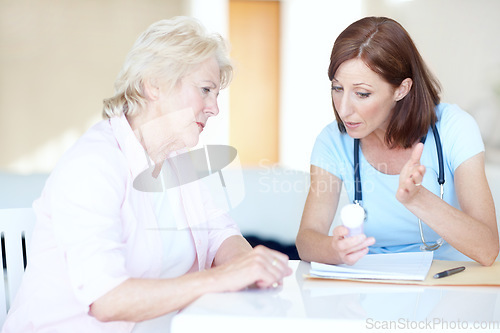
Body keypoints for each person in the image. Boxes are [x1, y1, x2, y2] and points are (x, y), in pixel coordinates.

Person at [2, 17, 291, 333]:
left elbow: (218, 231)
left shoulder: (176, 160)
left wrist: (250, 266)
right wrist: (221, 278)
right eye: (205, 90)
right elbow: (107, 299)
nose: (214, 108)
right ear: (154, 84)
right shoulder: (94, 164)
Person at [296, 16, 499, 267]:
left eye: (362, 93)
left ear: (401, 89)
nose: (344, 109)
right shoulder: (332, 141)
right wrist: (333, 249)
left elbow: (488, 248)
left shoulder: (454, 127)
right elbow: (306, 240)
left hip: (449, 281)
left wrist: (418, 199)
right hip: (371, 287)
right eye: (337, 88)